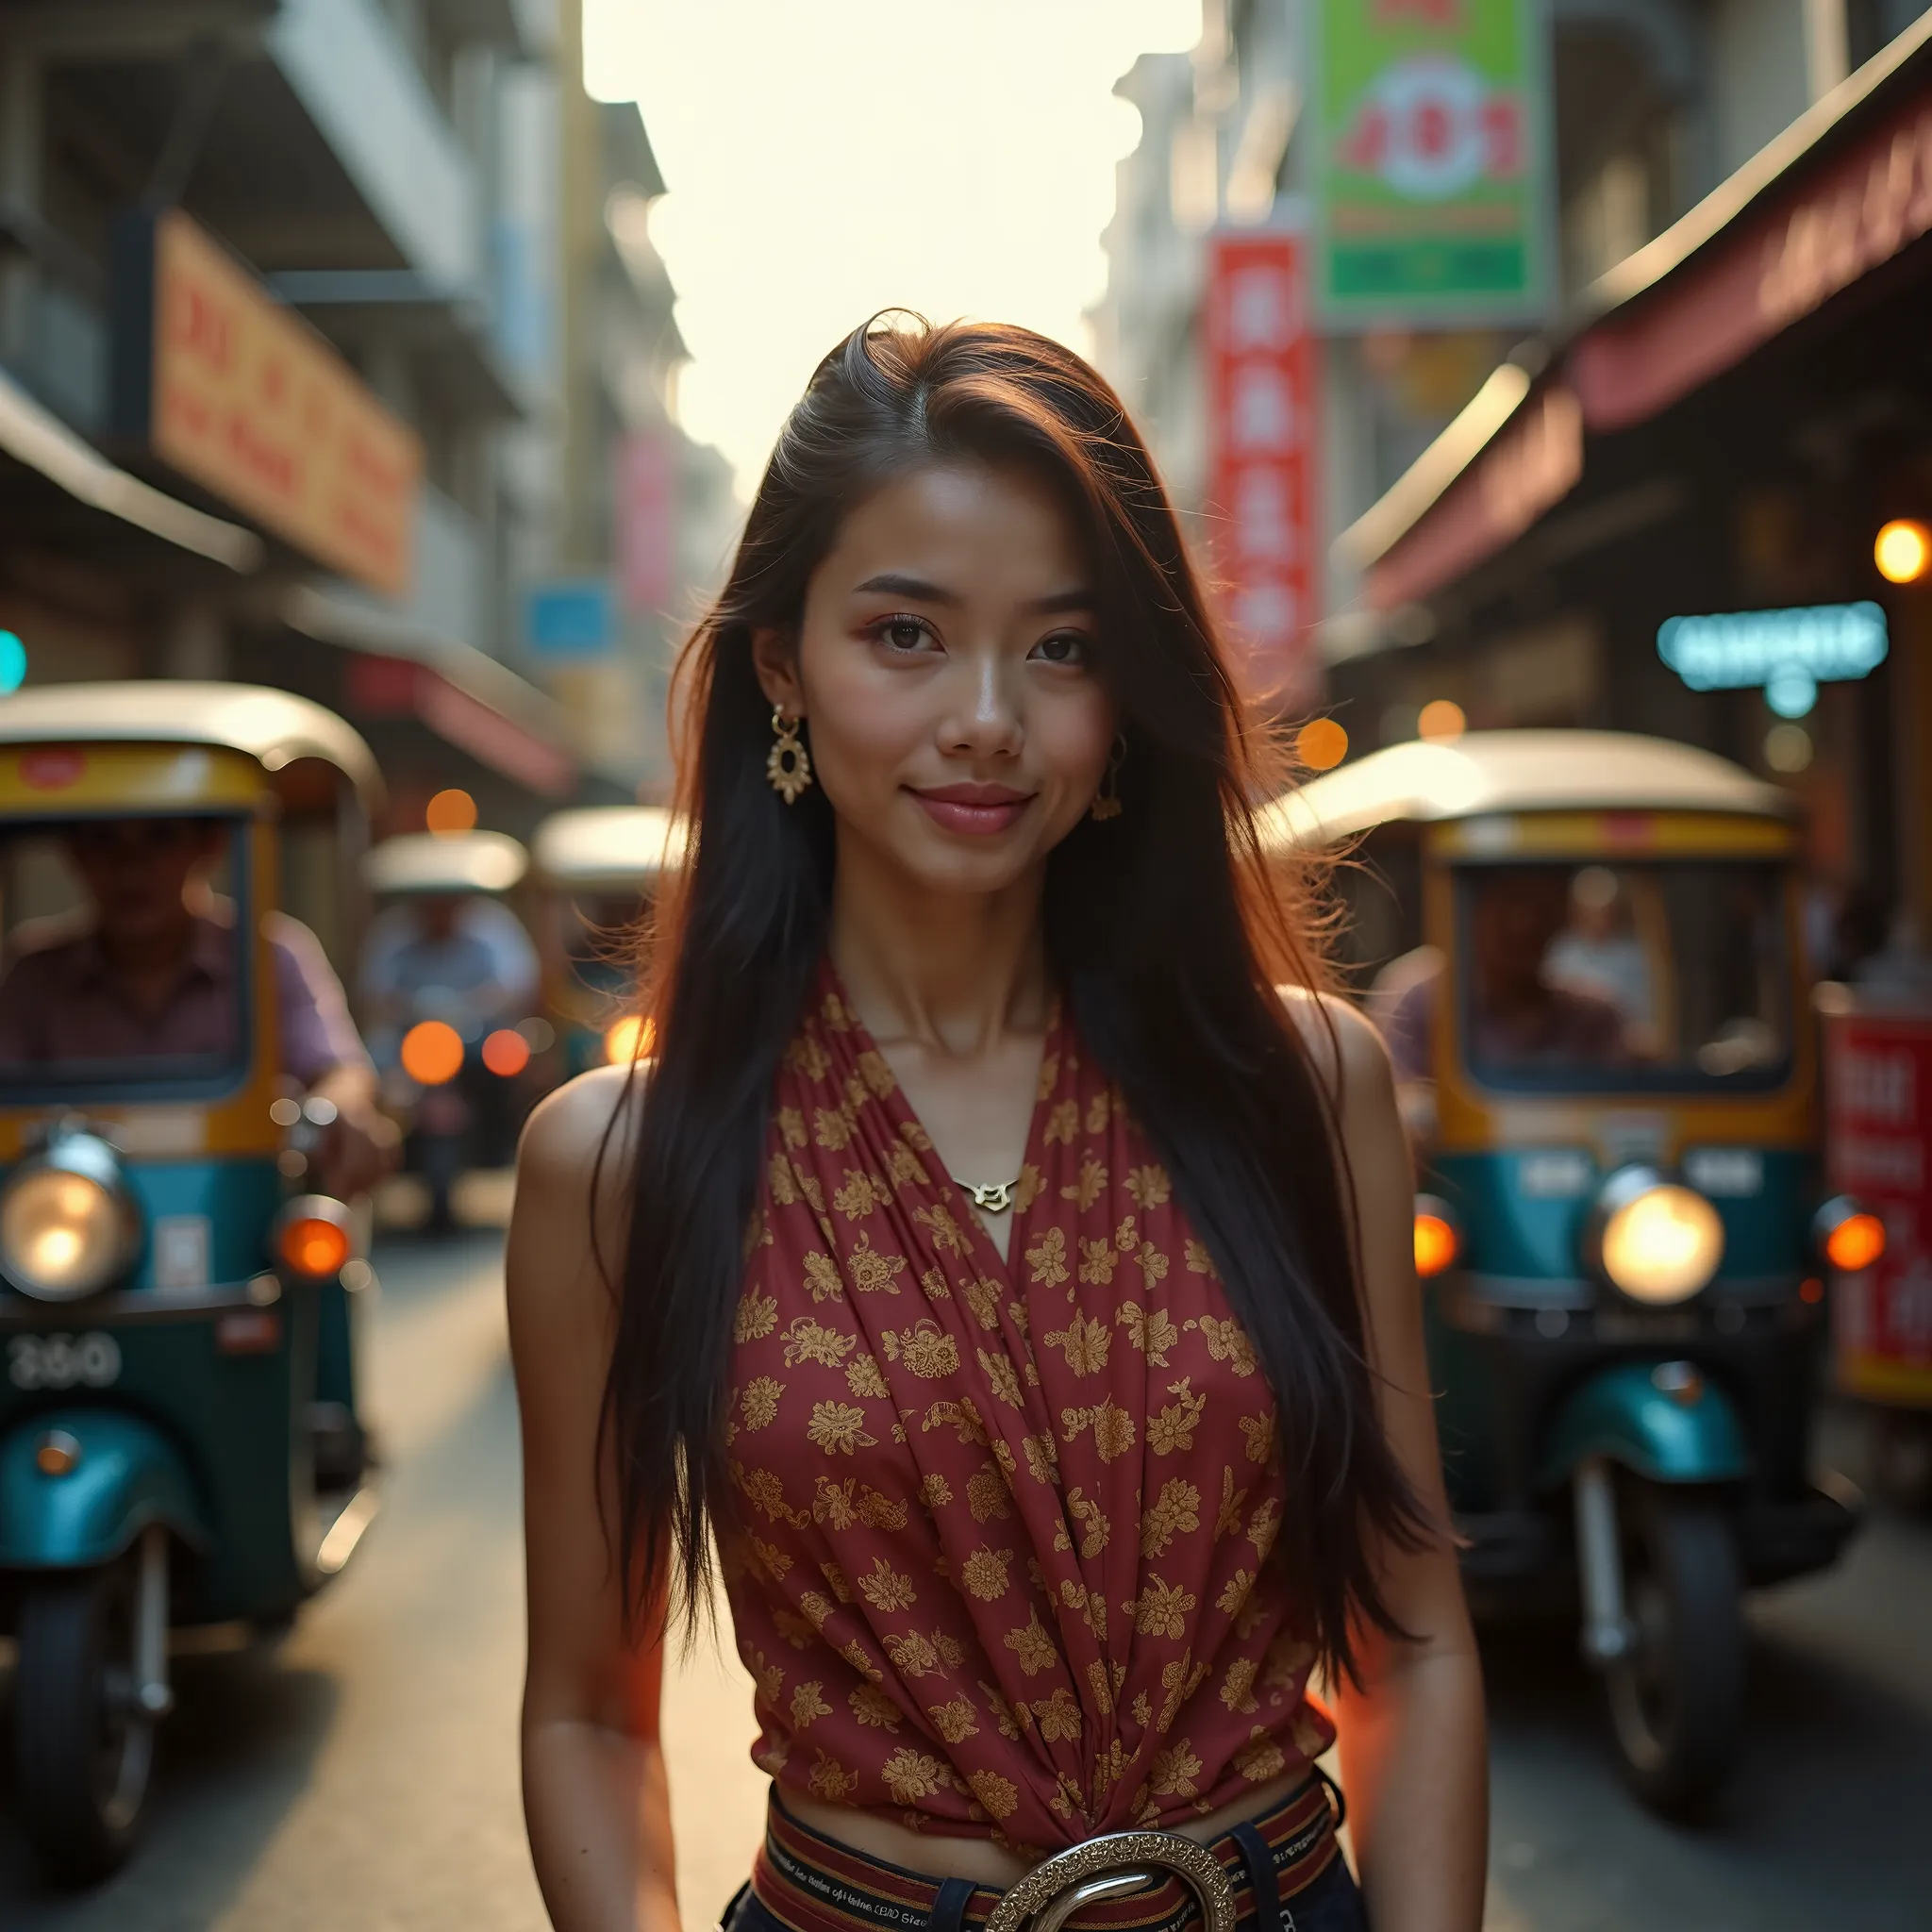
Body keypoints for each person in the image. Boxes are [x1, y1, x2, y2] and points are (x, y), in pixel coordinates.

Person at [508, 322, 1486, 1932]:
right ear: (780, 665)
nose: (985, 716)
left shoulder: (1302, 1085)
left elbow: (1417, 1640)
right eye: (904, 634)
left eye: (1058, 646)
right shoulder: (612, 1164)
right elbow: (586, 1710)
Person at [0, 815, 392, 1197]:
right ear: (76, 854)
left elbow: (340, 1070)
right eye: (104, 839)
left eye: (162, 836)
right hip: (68, 1220)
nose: (132, 868)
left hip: (239, 1203)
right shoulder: (33, 975)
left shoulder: (271, 955)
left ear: (209, 845)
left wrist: (335, 1111)